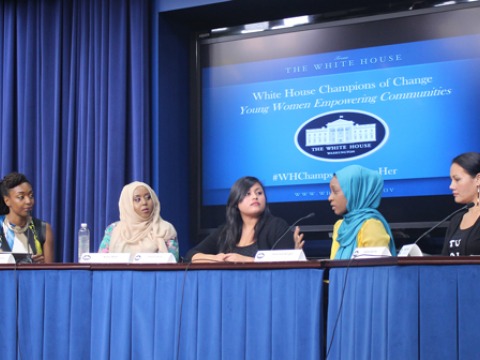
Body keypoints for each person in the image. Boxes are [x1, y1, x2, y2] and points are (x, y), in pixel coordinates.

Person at [185, 176, 304, 263]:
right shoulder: (225, 231)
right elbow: (191, 255)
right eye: (247, 194)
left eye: (259, 193)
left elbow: (284, 262)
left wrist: (246, 260)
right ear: (236, 202)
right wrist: (216, 258)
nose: (255, 196)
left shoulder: (276, 226)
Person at [98, 181, 179, 260]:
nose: (144, 202)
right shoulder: (113, 230)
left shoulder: (166, 230)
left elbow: (173, 262)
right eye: (137, 199)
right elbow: (101, 261)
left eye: (148, 197)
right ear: (127, 204)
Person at [328, 165, 396, 259]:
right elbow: (332, 268)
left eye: (335, 192)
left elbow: (376, 271)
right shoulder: (339, 226)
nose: (330, 198)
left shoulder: (371, 226)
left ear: (354, 192)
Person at [0, 172, 54, 263]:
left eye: (31, 195)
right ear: (7, 201)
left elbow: (50, 273)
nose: (28, 201)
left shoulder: (43, 229)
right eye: (21, 197)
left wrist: (40, 267)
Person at [441, 152, 480, 256]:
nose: (451, 186)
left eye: (457, 179)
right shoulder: (456, 219)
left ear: (478, 179)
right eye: (451, 180)